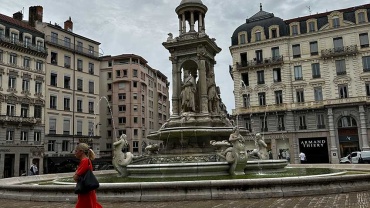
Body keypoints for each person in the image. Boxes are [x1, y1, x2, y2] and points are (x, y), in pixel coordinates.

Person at [73, 143, 102, 208]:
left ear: (81, 151)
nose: (75, 153)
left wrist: (75, 174)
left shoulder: (84, 161)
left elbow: (76, 177)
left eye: (76, 151)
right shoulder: (87, 160)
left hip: (85, 191)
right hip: (88, 190)